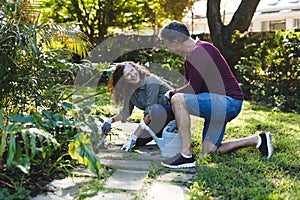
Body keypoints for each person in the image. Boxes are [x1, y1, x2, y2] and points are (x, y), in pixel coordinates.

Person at [158, 21, 273, 169]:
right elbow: (194, 90)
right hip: (215, 106)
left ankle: (186, 155)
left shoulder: (201, 51)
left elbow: (192, 89)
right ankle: (258, 140)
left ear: (176, 41)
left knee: (178, 99)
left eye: (168, 44)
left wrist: (172, 93)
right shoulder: (190, 57)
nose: (168, 48)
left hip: (228, 102)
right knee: (209, 151)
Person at [97, 61, 174, 152]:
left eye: (133, 70)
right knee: (139, 142)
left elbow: (149, 113)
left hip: (171, 116)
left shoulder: (150, 81)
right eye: (128, 75)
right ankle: (162, 136)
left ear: (137, 69)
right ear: (124, 80)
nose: (133, 75)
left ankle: (172, 134)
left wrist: (132, 138)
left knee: (155, 111)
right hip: (156, 120)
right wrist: (110, 121)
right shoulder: (129, 90)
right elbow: (126, 112)